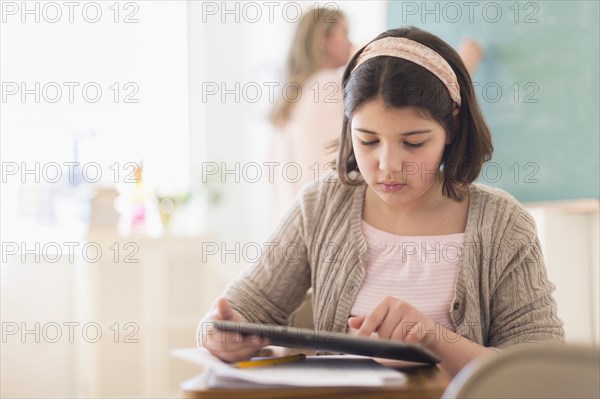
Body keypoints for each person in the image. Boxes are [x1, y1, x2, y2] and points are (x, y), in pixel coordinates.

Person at [199, 26, 564, 377]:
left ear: (451, 127)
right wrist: (219, 335)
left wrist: (431, 338)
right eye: (368, 141)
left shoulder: (503, 223)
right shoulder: (322, 205)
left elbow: (538, 372)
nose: (388, 166)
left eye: (414, 142)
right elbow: (239, 311)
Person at [269, 9, 485, 223]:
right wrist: (462, 68)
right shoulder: (328, 86)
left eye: (414, 142)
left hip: (299, 213)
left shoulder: (292, 96)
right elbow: (400, 99)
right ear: (323, 41)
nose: (349, 41)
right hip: (332, 213)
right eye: (343, 33)